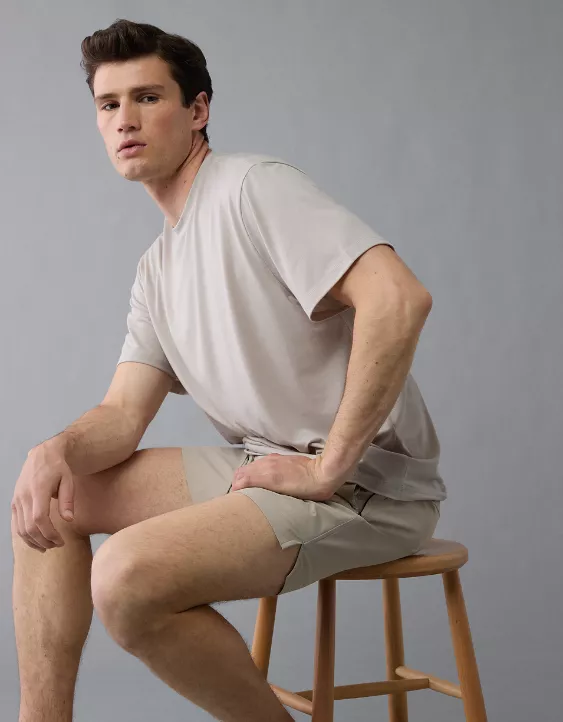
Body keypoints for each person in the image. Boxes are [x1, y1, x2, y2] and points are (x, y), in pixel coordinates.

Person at [11, 18, 446, 722]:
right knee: (49, 493)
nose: (125, 119)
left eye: (147, 97)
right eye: (109, 103)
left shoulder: (251, 188)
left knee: (124, 576)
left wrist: (328, 468)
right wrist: (52, 451)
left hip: (366, 489)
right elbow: (122, 416)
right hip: (265, 463)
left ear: (198, 110)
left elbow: (398, 298)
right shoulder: (157, 269)